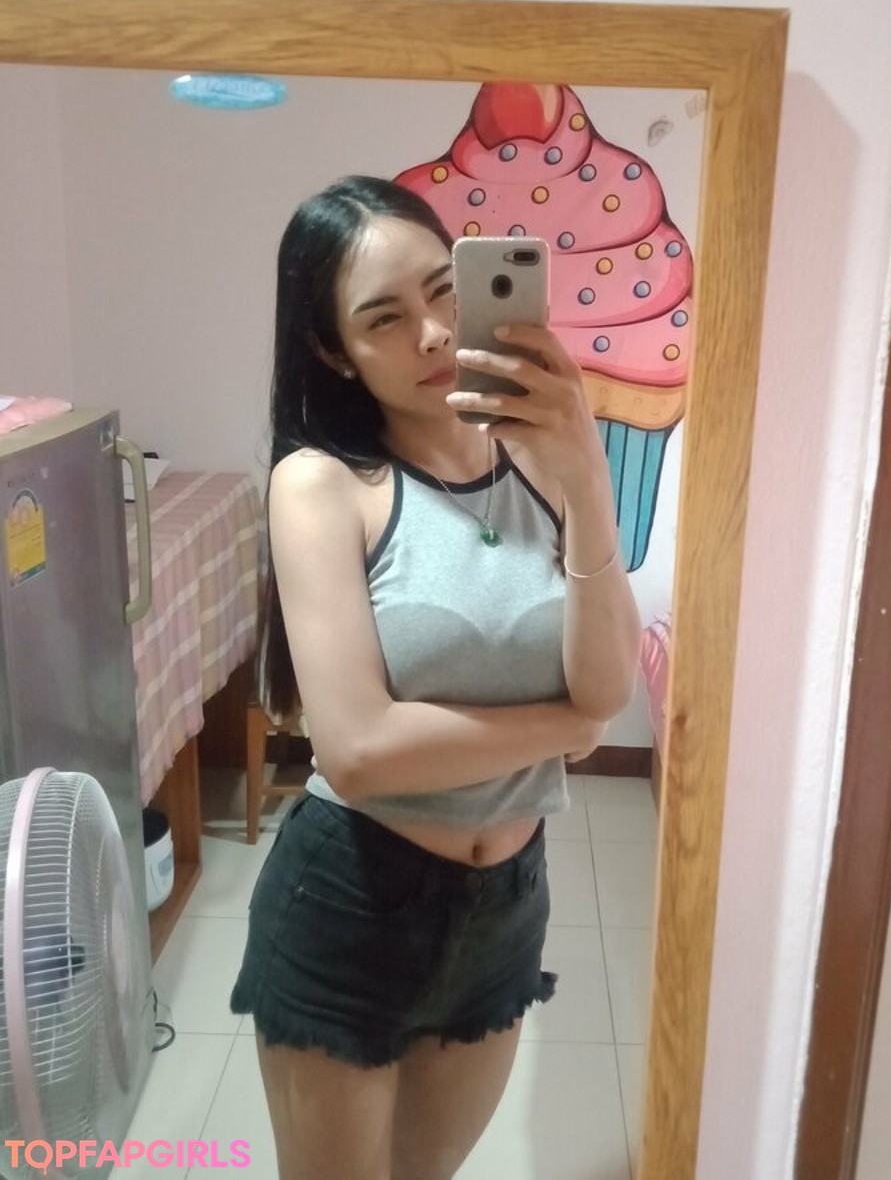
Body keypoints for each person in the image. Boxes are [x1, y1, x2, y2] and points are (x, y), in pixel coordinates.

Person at [229, 175, 641, 1180]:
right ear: (335, 348)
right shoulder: (324, 484)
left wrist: (587, 474)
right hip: (352, 900)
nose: (432, 332)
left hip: (507, 905)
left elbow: (607, 684)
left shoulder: (542, 463)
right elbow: (360, 751)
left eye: (444, 291)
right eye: (384, 317)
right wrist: (566, 726)